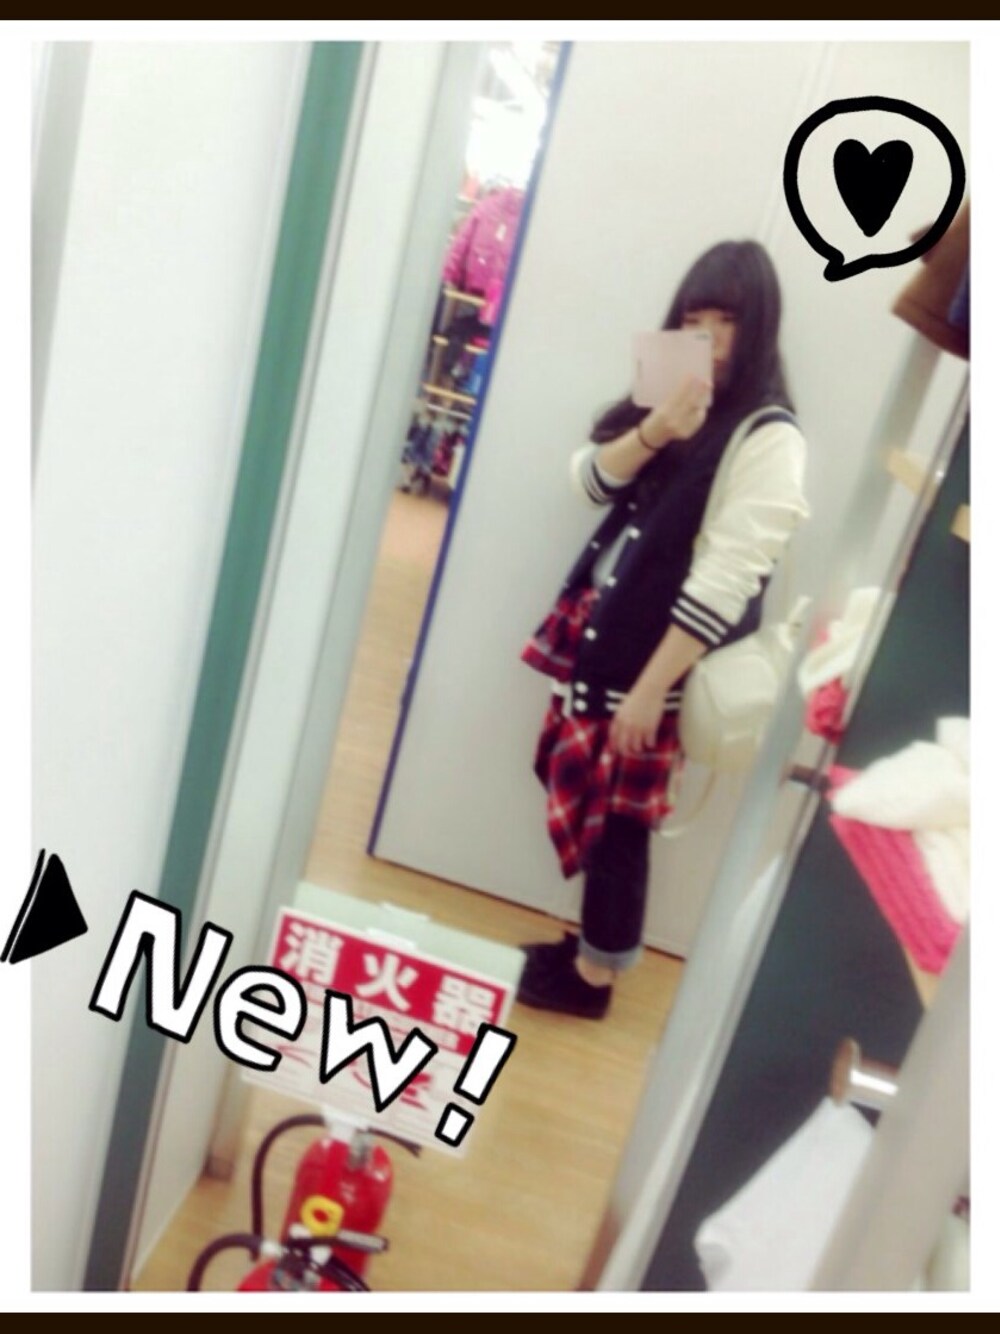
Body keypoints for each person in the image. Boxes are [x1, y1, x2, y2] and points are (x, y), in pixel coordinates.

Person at [516, 240, 810, 1019]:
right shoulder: (666, 401)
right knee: (599, 802)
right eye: (694, 317)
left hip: (658, 662)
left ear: (758, 327)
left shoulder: (769, 435)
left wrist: (651, 690)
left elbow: (729, 579)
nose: (707, 335)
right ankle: (590, 950)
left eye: (727, 320)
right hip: (601, 639)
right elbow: (587, 482)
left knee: (622, 819)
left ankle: (593, 979)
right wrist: (655, 429)